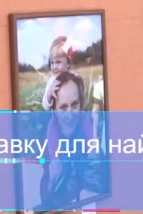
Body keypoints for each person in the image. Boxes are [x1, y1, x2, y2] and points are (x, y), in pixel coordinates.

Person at [38, 72, 106, 211]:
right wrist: (52, 180)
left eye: (74, 105)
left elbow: (99, 188)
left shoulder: (90, 138)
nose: (70, 114)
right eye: (63, 107)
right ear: (55, 110)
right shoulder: (48, 143)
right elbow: (45, 197)